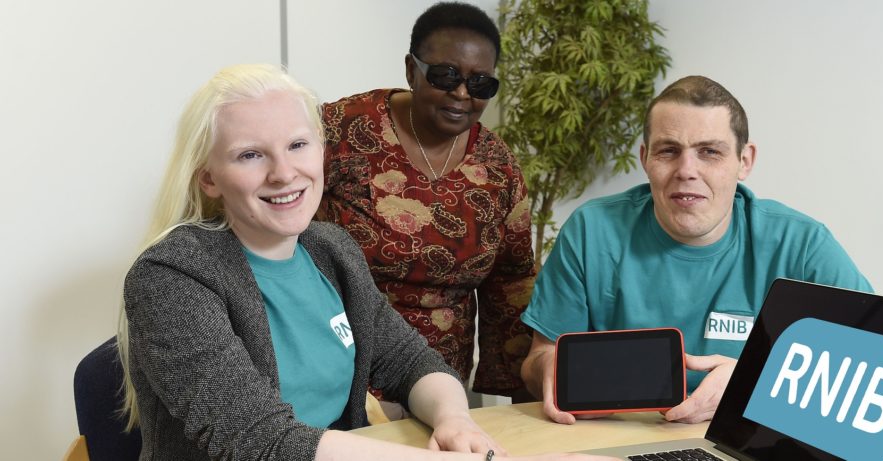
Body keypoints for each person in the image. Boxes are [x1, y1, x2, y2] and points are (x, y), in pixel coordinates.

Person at [116, 63, 612, 461]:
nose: (284, 173)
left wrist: (455, 420)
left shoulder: (331, 250)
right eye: (250, 155)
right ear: (209, 178)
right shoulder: (171, 276)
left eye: (297, 145)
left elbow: (410, 361)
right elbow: (258, 441)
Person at [520, 75, 873, 426]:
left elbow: (879, 365)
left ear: (744, 161)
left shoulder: (802, 243)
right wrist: (552, 370)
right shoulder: (591, 231)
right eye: (668, 151)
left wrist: (751, 383)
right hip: (615, 438)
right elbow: (540, 356)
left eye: (710, 152)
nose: (687, 171)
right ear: (645, 159)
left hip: (745, 438)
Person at [317, 1, 534, 406]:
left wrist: (520, 401)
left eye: (481, 83)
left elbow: (512, 281)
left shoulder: (498, 167)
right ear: (410, 69)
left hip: (439, 380)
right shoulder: (340, 129)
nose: (462, 94)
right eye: (445, 75)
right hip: (335, 364)